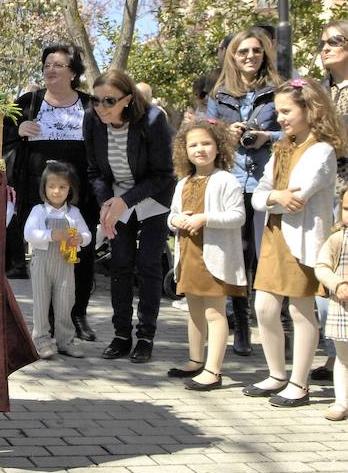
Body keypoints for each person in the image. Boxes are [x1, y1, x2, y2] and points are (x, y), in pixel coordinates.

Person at [243, 78, 346, 407]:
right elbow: (262, 193)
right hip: (274, 235)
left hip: (302, 239)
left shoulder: (322, 150)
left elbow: (297, 195)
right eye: (278, 112)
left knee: (301, 310)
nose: (281, 118)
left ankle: (299, 383)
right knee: (264, 306)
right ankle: (276, 373)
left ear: (309, 109)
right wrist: (275, 195)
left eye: (287, 111)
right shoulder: (280, 148)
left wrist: (273, 196)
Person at [3, 42, 99, 342]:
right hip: (38, 191)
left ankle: (77, 314)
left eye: (58, 64)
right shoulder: (30, 101)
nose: (50, 69)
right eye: (46, 64)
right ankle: (45, 319)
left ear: (74, 72)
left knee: (79, 252)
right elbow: (0, 132)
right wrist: (17, 131)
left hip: (80, 192)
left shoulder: (90, 106)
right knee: (45, 254)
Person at [83, 68, 175, 364]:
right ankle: (121, 334)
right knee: (120, 265)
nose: (101, 108)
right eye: (96, 101)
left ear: (127, 99)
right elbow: (94, 171)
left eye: (109, 101)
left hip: (152, 199)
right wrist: (107, 204)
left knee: (148, 265)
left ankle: (146, 335)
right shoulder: (92, 120)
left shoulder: (152, 119)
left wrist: (125, 201)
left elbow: (163, 174)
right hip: (116, 199)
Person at [207, 27, 283, 357]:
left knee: (266, 256)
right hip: (232, 182)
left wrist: (269, 136)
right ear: (232, 57)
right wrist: (226, 131)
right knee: (237, 255)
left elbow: (294, 129)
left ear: (264, 53)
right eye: (243, 52)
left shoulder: (278, 91)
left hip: (268, 181)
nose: (249, 56)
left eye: (255, 50)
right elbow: (205, 137)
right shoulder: (219, 95)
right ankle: (240, 325)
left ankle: (275, 325)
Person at [167, 119, 247, 391]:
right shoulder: (183, 182)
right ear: (184, 150)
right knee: (194, 311)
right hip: (189, 255)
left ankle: (213, 370)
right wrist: (176, 221)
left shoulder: (226, 180)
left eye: (206, 143)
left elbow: (238, 216)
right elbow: (172, 216)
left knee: (214, 313)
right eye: (193, 145)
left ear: (218, 146)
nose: (200, 149)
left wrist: (205, 218)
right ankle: (195, 359)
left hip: (214, 257)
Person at [23, 160, 91, 360]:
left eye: (62, 187)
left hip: (66, 263)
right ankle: (41, 340)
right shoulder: (39, 211)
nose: (56, 191)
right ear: (44, 188)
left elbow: (86, 234)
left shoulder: (74, 213)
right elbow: (29, 233)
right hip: (41, 263)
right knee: (42, 303)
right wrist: (51, 235)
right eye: (51, 186)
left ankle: (65, 341)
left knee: (65, 302)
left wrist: (81, 238)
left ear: (70, 189)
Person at [314, 19, 348, 383]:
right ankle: (336, 354)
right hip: (324, 194)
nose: (325, 48)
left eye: (334, 41)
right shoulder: (320, 92)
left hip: (346, 194)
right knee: (328, 271)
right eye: (322, 42)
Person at [314, 187, 348, 421]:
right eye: (346, 208)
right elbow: (322, 267)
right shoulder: (337, 239)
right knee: (343, 358)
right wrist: (336, 283)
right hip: (343, 309)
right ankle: (341, 402)